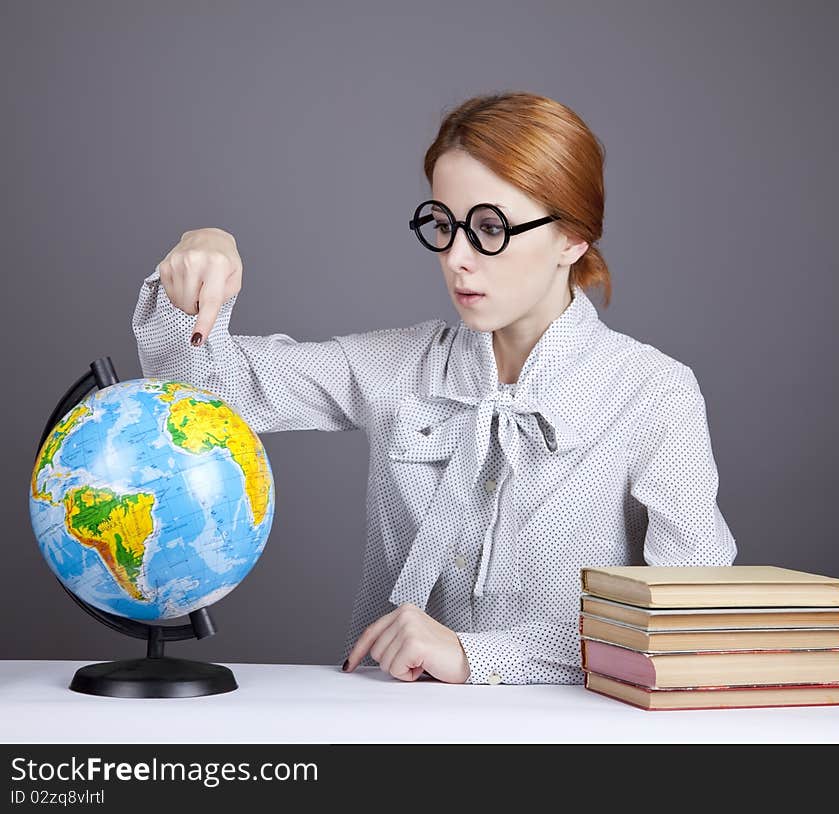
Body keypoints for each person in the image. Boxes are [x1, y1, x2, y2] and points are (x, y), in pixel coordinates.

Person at [132, 91, 737, 686]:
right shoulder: (400, 367)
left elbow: (691, 631)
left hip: (580, 736)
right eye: (443, 225)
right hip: (395, 726)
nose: (456, 257)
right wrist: (200, 259)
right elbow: (196, 397)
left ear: (573, 238)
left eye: (490, 228)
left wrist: (478, 657)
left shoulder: (654, 392)